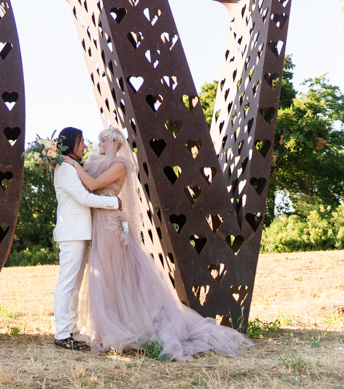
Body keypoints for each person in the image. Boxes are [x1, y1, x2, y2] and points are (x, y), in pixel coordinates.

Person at [62, 127, 251, 361]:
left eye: (103, 140)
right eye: (98, 139)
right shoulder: (95, 163)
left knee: (113, 276)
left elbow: (90, 185)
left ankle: (116, 329)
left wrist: (70, 162)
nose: (97, 143)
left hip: (110, 225)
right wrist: (64, 163)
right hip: (99, 225)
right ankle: (110, 327)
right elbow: (81, 182)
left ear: (114, 142)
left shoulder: (120, 165)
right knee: (103, 278)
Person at [52, 127, 121, 351]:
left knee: (75, 284)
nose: (84, 145)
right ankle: (62, 333)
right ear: (71, 143)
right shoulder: (64, 167)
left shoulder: (72, 166)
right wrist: (113, 203)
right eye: (81, 142)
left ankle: (71, 329)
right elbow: (83, 197)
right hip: (71, 233)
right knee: (67, 282)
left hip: (79, 232)